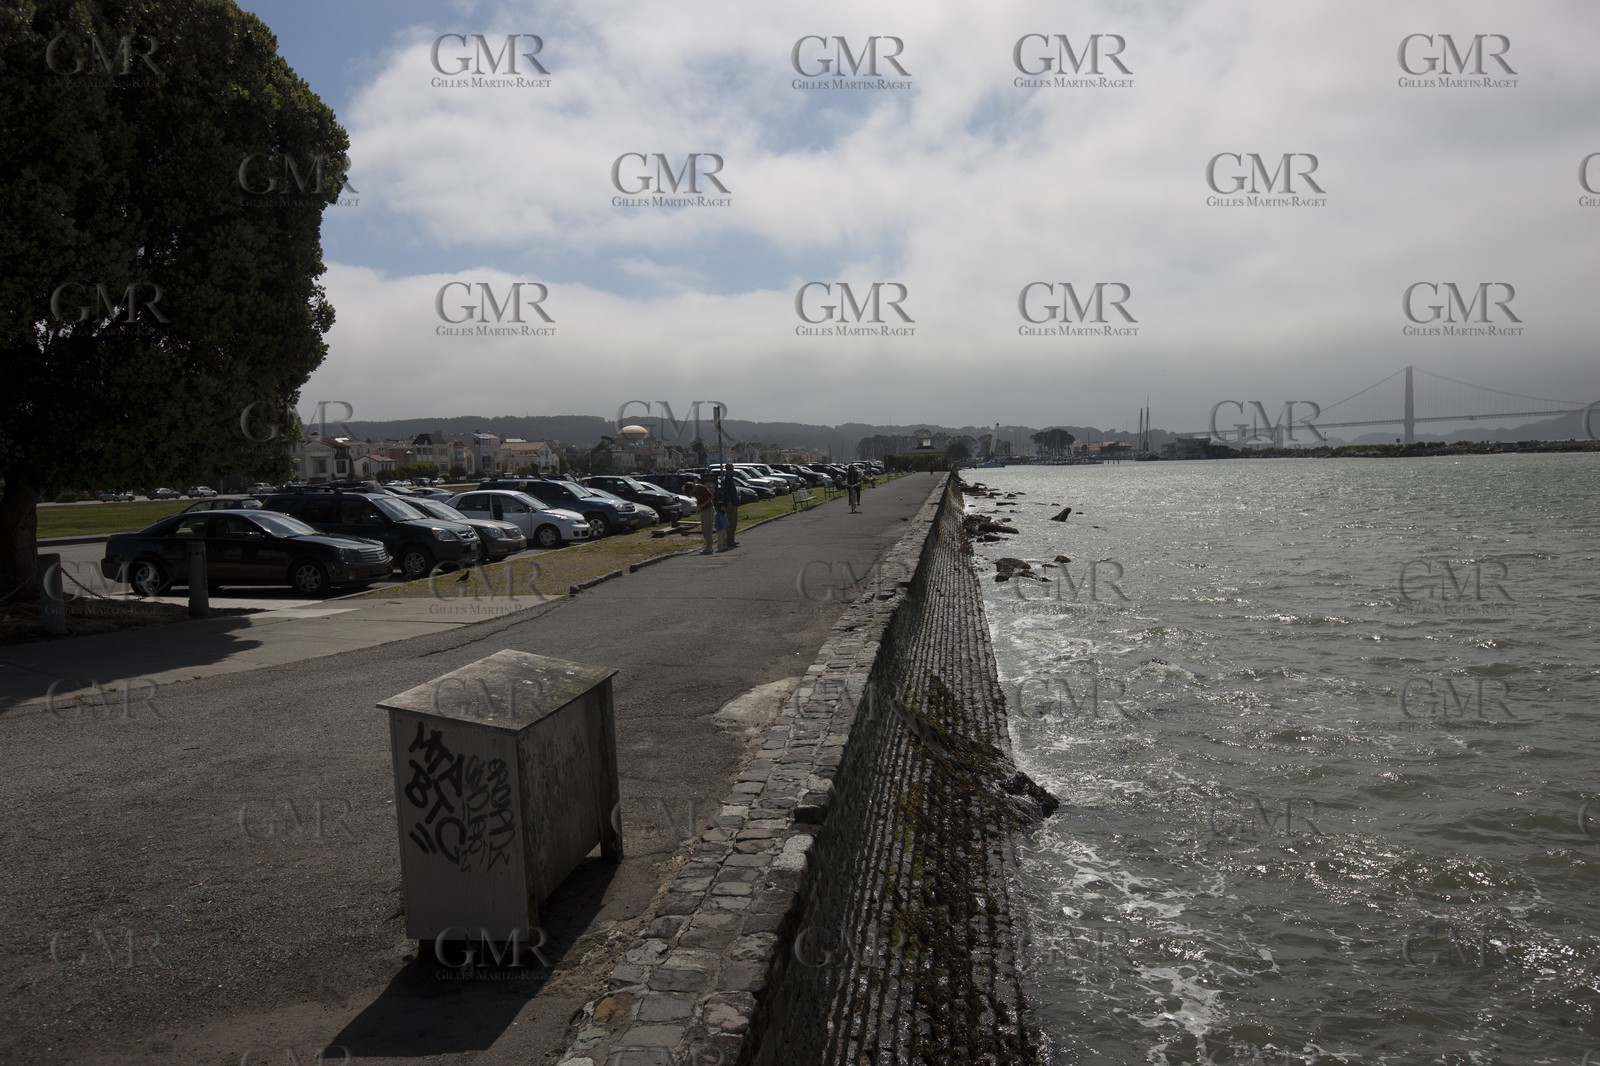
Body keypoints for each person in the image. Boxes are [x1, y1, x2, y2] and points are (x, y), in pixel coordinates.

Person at [688, 476, 716, 554]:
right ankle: (707, 545)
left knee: (708, 528)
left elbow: (711, 497)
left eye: (692, 491)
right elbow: (699, 499)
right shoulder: (695, 492)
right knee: (703, 529)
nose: (692, 493)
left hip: (709, 509)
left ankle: (709, 547)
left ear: (693, 486)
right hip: (703, 510)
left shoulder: (701, 488)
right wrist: (698, 506)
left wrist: (702, 505)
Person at [718, 463, 740, 550]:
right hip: (730, 504)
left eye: (732, 469)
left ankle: (732, 539)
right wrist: (728, 502)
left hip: (735, 503)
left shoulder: (731, 479)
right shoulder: (725, 480)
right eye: (730, 469)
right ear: (726, 470)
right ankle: (729, 540)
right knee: (730, 523)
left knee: (734, 523)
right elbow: (724, 492)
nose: (732, 471)